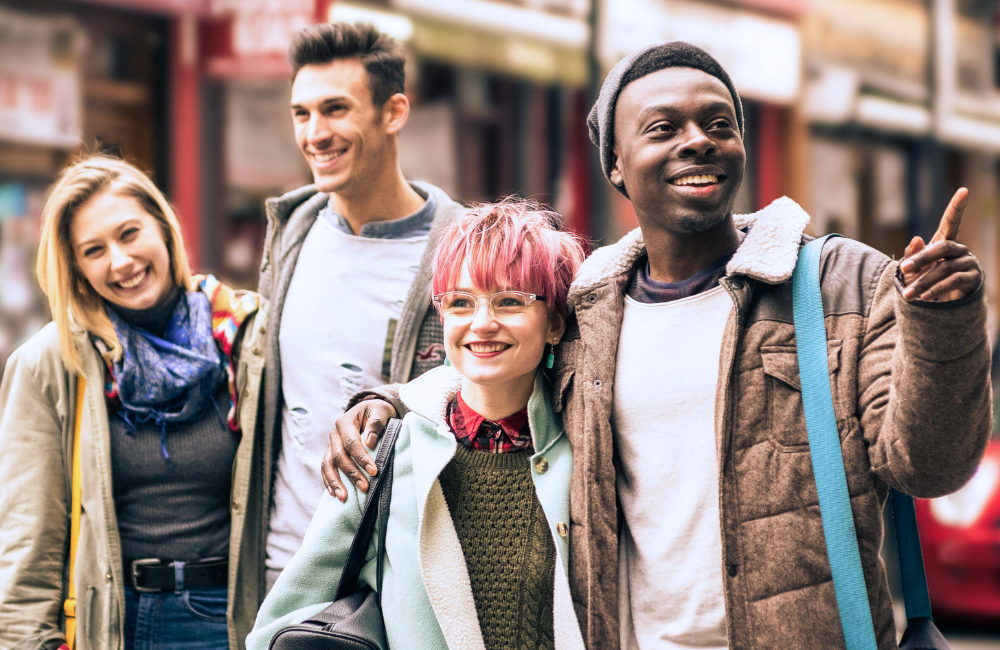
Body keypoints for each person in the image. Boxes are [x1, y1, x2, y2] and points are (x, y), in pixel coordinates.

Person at [325, 42, 992, 650]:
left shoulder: (838, 281)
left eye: (718, 124)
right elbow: (494, 369)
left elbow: (929, 468)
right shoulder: (589, 309)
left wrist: (942, 323)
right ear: (616, 164)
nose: (697, 141)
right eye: (663, 128)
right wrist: (385, 405)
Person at [247, 200, 587, 650]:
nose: (482, 324)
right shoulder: (383, 454)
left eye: (510, 301)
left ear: (556, 324)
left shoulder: (587, 445)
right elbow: (281, 624)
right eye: (460, 302)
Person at [0, 156, 269, 650]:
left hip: (235, 621)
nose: (120, 261)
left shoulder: (246, 338)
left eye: (129, 234)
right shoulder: (51, 363)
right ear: (77, 268)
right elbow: (26, 538)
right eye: (94, 250)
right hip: (115, 623)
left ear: (163, 229)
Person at [257, 21, 465, 592]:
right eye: (302, 114)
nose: (315, 134)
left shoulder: (460, 249)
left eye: (335, 110)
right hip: (285, 567)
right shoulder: (290, 232)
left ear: (393, 112)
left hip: (397, 571)